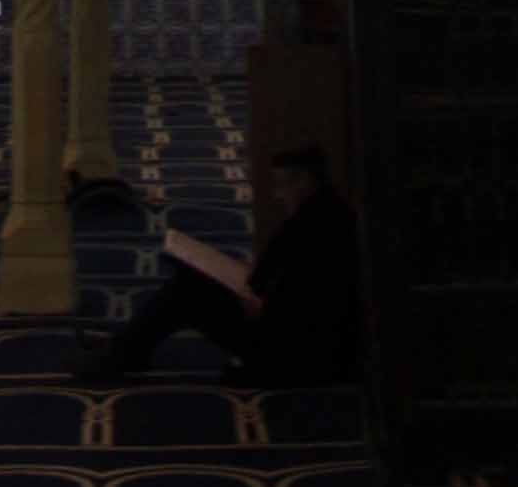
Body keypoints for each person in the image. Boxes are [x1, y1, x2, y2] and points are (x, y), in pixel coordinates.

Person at [77, 142, 361, 386]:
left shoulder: (315, 225)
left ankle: (124, 353)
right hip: (288, 331)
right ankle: (126, 349)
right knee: (191, 284)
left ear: (305, 181)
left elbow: (306, 304)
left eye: (282, 185)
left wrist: (253, 299)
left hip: (293, 354)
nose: (277, 195)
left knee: (186, 291)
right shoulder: (323, 214)